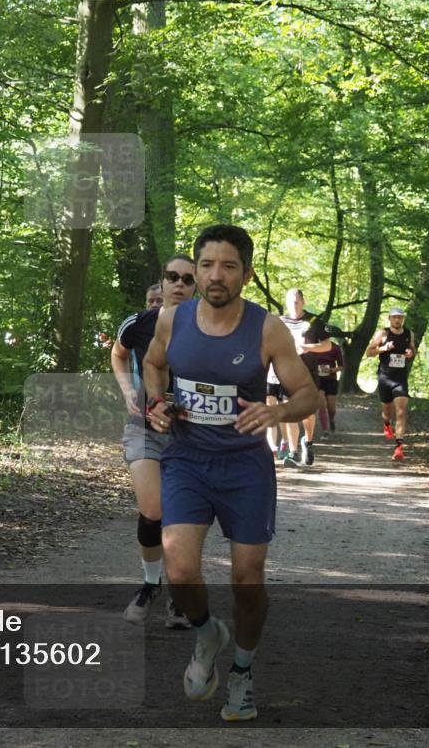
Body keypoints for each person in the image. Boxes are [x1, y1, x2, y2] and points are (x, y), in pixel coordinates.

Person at [142, 224, 319, 721]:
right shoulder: (172, 321)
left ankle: (241, 670)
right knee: (179, 571)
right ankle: (207, 634)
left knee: (247, 578)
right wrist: (157, 402)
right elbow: (154, 367)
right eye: (206, 265)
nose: (215, 275)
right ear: (195, 270)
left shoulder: (266, 328)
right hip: (186, 458)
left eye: (228, 266)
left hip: (244, 466)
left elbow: (305, 394)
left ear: (246, 273)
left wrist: (276, 413)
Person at [111, 265, 195, 628]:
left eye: (188, 279)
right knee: (153, 508)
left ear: (198, 286)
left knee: (183, 517)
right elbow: (117, 353)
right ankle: (150, 584)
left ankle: (178, 593)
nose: (179, 284)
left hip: (193, 435)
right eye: (172, 277)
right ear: (162, 282)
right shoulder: (138, 323)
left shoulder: (212, 325)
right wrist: (129, 390)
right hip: (144, 428)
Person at [266, 288, 330, 466]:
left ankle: (307, 442)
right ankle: (293, 452)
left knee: (307, 413)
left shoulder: (314, 321)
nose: (294, 305)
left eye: (297, 302)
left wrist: (309, 348)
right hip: (286, 372)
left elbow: (327, 346)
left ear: (303, 302)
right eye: (290, 302)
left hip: (309, 372)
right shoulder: (279, 321)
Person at [365, 308, 415, 461]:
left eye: (400, 318)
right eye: (394, 318)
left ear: (403, 319)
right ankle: (386, 424)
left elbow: (412, 349)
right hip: (385, 378)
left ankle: (399, 447)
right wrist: (384, 348)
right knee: (387, 411)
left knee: (401, 412)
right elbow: (369, 352)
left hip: (400, 379)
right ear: (389, 319)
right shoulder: (383, 334)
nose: (397, 320)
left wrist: (410, 353)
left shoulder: (409, 333)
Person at [302, 319, 344, 437]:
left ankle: (331, 420)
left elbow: (341, 366)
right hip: (317, 379)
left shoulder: (335, 348)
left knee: (331, 408)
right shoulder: (312, 346)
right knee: (322, 405)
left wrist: (331, 370)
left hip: (330, 379)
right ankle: (325, 431)